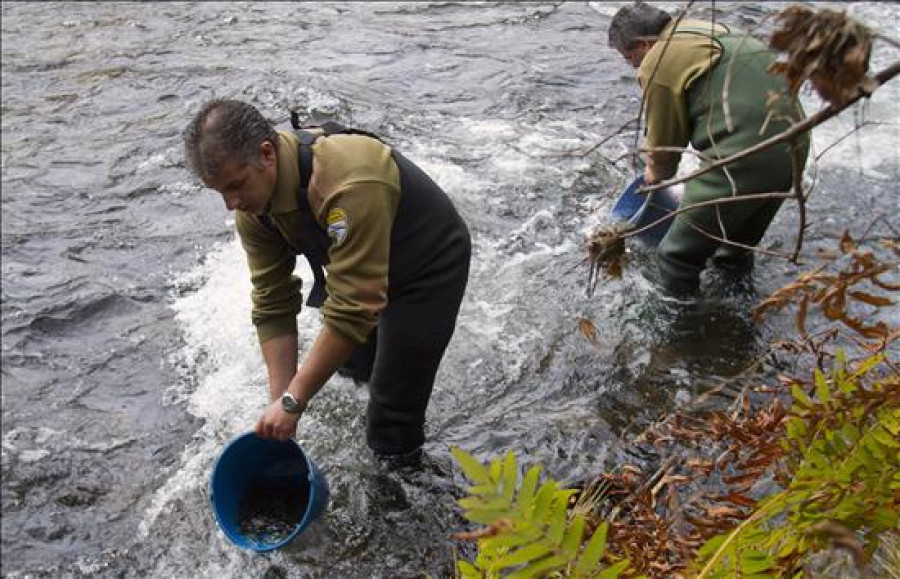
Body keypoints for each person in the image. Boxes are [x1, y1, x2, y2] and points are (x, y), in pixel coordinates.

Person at [183, 99, 471, 467]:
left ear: (267, 154)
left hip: (426, 268)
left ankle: (422, 494)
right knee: (353, 375)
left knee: (390, 423)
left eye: (236, 185)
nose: (231, 203)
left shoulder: (348, 181)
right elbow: (273, 304)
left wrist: (295, 400)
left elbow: (354, 307)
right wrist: (282, 403)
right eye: (220, 192)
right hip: (358, 267)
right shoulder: (252, 209)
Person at [608, 2, 810, 297]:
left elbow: (665, 152)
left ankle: (680, 337)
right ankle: (741, 314)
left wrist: (651, 180)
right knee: (733, 251)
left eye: (631, 59)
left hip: (744, 158)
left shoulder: (659, 58)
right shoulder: (714, 30)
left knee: (674, 258)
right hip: (793, 147)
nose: (636, 67)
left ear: (643, 44)